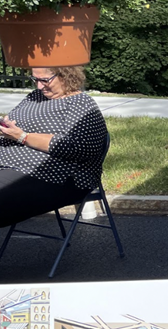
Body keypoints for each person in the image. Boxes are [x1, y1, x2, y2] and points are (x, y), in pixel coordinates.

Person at [0, 66, 108, 228]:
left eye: (44, 80)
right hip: (9, 166)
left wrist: (23, 137)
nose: (39, 85)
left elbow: (79, 148)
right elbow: (14, 120)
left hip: (53, 176)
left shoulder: (81, 104)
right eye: (35, 79)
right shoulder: (35, 97)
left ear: (66, 76)